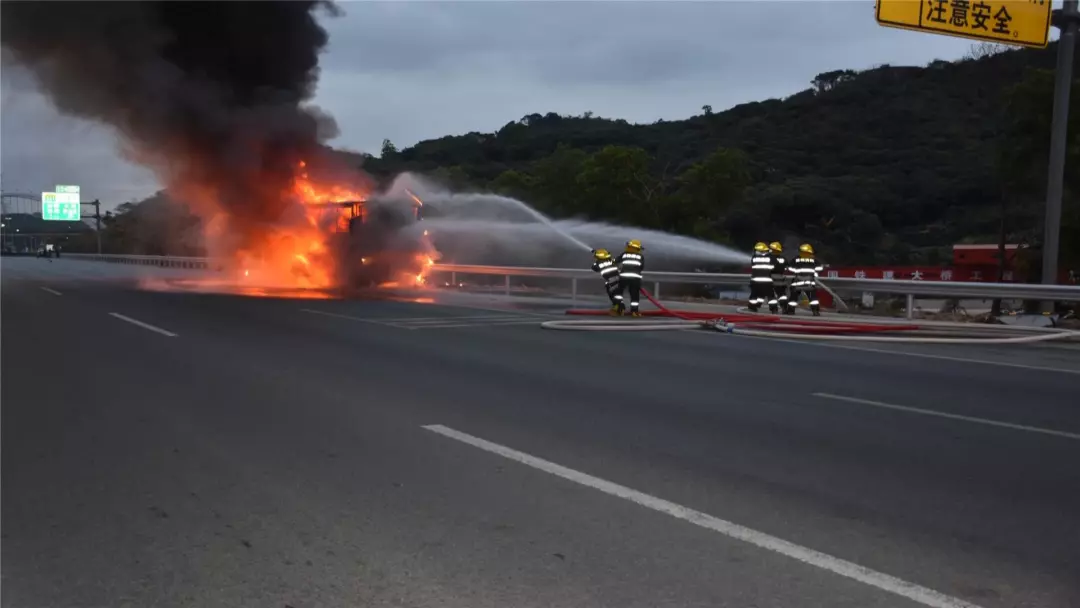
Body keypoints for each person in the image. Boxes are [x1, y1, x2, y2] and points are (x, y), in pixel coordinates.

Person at [788, 243, 824, 316]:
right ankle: (815, 311)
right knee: (813, 298)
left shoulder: (796, 259)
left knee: (793, 298)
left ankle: (790, 311)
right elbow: (820, 268)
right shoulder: (814, 260)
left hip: (797, 282)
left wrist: (796, 271)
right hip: (809, 283)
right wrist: (813, 271)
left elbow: (789, 268)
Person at [616, 239, 645, 317]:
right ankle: (634, 311)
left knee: (619, 293)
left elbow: (615, 261)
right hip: (635, 278)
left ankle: (620, 310)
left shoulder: (624, 254)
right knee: (634, 295)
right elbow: (641, 267)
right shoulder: (640, 256)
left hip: (623, 277)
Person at [591, 248, 623, 315]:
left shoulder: (598, 263)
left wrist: (597, 257)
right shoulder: (611, 260)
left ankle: (618, 308)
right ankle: (619, 308)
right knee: (616, 294)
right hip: (618, 280)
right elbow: (616, 261)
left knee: (614, 294)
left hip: (612, 281)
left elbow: (594, 268)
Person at [748, 242, 773, 312]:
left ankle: (753, 307)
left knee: (754, 295)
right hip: (766, 281)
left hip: (755, 281)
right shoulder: (769, 257)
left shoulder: (754, 257)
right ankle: (773, 309)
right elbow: (773, 265)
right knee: (767, 295)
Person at [767, 241, 788, 314]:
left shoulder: (768, 258)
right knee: (782, 295)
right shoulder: (783, 258)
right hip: (781, 279)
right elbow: (786, 268)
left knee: (771, 295)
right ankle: (784, 308)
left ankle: (774, 309)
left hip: (770, 278)